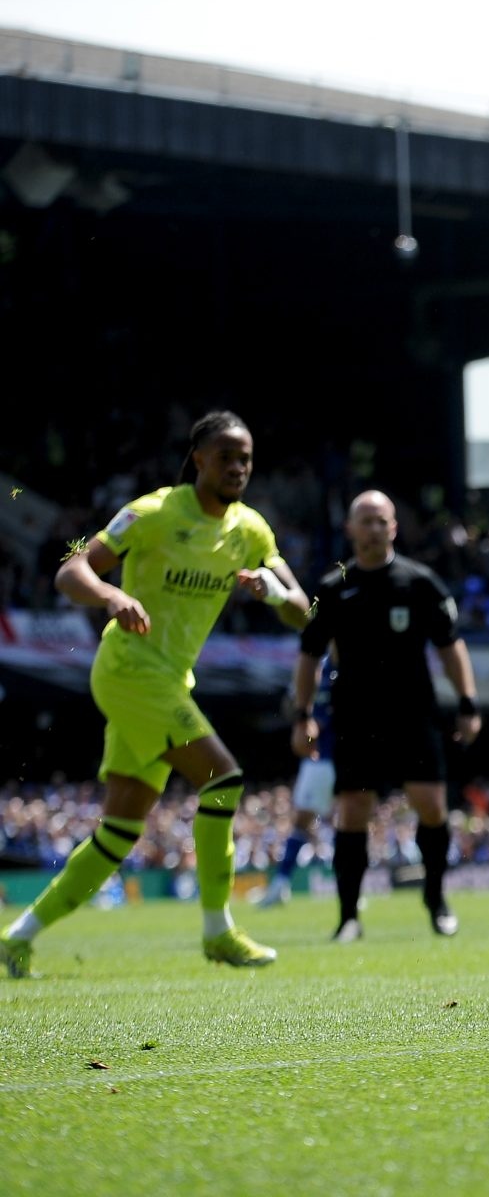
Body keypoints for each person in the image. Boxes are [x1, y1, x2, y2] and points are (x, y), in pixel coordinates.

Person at [2, 411, 308, 977]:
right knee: (223, 779)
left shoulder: (251, 531)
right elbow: (72, 572)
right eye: (226, 456)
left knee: (118, 833)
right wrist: (111, 598)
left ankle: (17, 936)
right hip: (127, 669)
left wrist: (270, 588)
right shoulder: (153, 513)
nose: (238, 467)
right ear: (198, 458)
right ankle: (219, 931)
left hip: (168, 680)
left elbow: (303, 613)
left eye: (246, 458)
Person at [293, 490, 481, 942]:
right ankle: (348, 917)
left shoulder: (420, 583)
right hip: (356, 717)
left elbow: (451, 646)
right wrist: (302, 716)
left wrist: (469, 702)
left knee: (432, 807)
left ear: (394, 527)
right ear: (350, 529)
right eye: (366, 520)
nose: (375, 528)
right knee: (353, 811)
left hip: (414, 714)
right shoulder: (332, 588)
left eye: (382, 520)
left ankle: (435, 897)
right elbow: (308, 655)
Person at [254, 656, 336, 908]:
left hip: (341, 755)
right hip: (318, 757)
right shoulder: (316, 665)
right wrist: (301, 710)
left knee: (343, 821)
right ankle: (281, 884)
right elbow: (291, 707)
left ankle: (347, 886)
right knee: (304, 821)